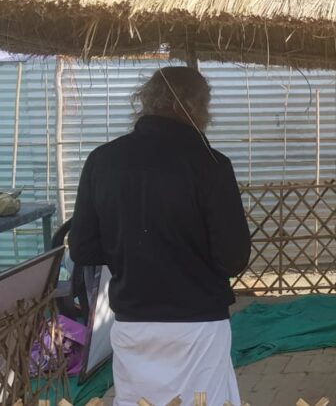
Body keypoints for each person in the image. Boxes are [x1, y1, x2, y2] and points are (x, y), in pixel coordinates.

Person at [68, 66, 252, 406]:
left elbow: (83, 248)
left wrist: (131, 248)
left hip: (133, 322)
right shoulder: (211, 164)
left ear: (145, 101)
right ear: (197, 107)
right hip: (198, 325)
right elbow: (233, 258)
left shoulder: (102, 160)